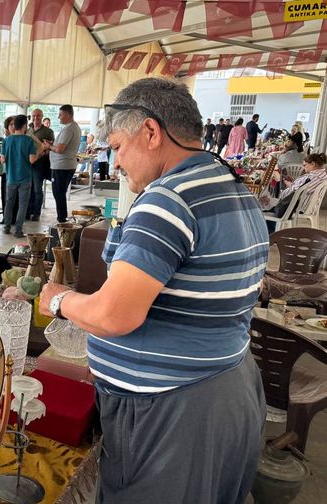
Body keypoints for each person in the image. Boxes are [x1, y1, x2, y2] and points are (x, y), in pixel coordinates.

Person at [39, 78, 267, 503]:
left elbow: (113, 316)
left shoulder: (168, 200)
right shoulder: (228, 182)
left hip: (174, 408)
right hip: (224, 385)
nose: (117, 162)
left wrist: (57, 299)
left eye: (119, 146)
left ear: (150, 131)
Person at [262, 152, 327, 231]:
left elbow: (297, 192)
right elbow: (302, 189)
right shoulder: (322, 174)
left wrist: (283, 183)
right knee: (271, 202)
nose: (304, 168)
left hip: (298, 206)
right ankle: (270, 230)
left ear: (313, 164)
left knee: (266, 202)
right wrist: (292, 184)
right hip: (301, 203)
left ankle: (268, 233)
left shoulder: (313, 177)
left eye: (305, 165)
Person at [0, 114, 37, 238]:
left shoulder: (6, 140)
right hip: (25, 178)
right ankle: (18, 231)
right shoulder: (28, 141)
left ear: (14, 126)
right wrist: (39, 152)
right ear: (25, 126)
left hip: (11, 177)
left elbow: (3, 160)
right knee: (22, 205)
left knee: (9, 203)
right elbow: (32, 160)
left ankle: (6, 227)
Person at [49, 104, 81, 222]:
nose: (59, 117)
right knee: (60, 192)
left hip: (62, 166)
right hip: (66, 165)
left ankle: (62, 219)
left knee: (58, 193)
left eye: (60, 114)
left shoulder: (69, 128)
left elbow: (60, 149)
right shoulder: (75, 127)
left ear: (67, 115)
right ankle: (62, 217)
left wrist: (49, 146)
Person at [28, 108, 54, 221]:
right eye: (34, 115)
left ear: (42, 117)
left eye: (38, 116)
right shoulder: (28, 130)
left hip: (40, 164)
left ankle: (36, 212)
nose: (36, 118)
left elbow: (50, 148)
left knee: (37, 189)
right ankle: (28, 211)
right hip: (28, 163)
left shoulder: (48, 132)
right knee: (28, 188)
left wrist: (41, 153)